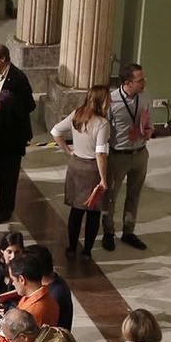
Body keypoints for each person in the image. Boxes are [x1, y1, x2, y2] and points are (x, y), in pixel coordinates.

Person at [51, 84, 112, 257]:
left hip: (76, 166)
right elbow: (100, 153)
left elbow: (55, 131)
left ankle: (71, 248)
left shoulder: (76, 114)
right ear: (102, 100)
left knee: (76, 211)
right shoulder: (102, 123)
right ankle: (86, 251)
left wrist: (68, 150)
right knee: (93, 212)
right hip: (92, 169)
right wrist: (103, 179)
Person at [102, 62, 153, 250]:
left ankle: (128, 231)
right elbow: (103, 129)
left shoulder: (145, 96)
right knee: (111, 196)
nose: (144, 82)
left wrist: (149, 130)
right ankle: (108, 232)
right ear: (127, 83)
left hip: (140, 153)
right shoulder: (112, 101)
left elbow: (149, 120)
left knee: (134, 194)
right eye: (140, 80)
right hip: (118, 156)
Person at [0, 44, 35, 220]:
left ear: (3, 59)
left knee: (10, 173)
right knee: (1, 171)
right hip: (0, 134)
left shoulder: (17, 78)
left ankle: (7, 208)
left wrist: (5, 107)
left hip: (12, 136)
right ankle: (2, 201)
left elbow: (29, 105)